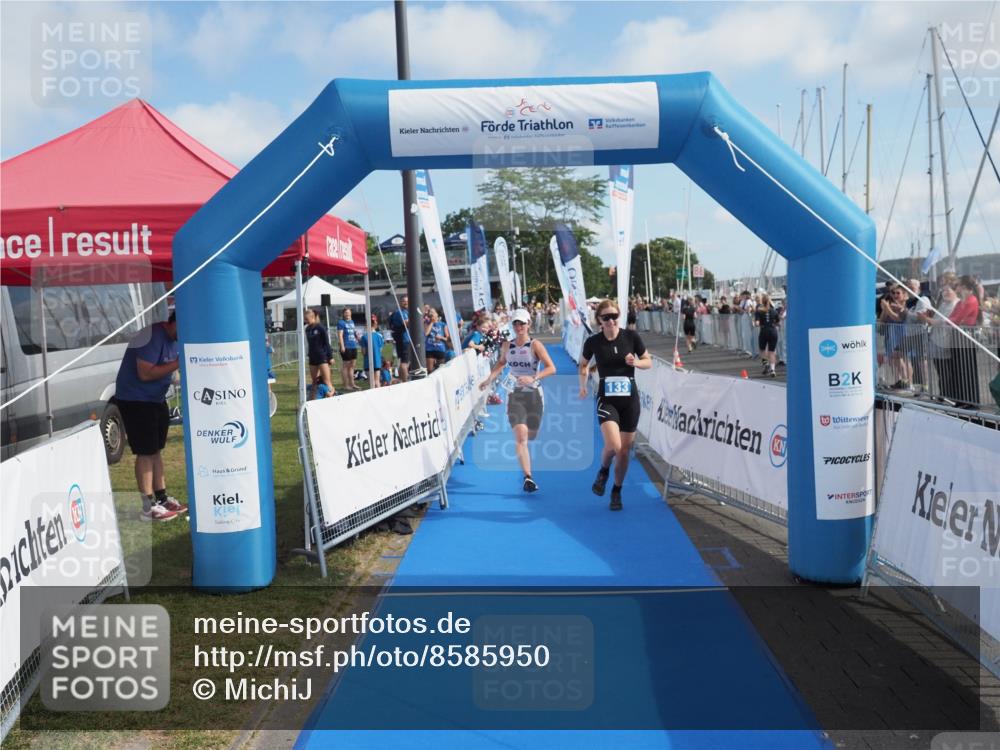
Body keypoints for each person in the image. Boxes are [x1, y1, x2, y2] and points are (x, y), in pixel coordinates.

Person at [578, 299, 652, 511]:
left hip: (630, 400)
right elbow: (583, 364)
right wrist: (582, 385)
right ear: (599, 320)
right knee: (613, 446)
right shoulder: (594, 342)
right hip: (607, 399)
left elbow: (648, 361)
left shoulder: (631, 337)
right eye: (606, 317)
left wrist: (636, 362)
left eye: (614, 316)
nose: (610, 321)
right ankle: (603, 471)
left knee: (624, 451)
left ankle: (616, 490)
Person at [114, 311, 187, 522]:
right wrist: (178, 364)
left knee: (156, 450)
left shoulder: (174, 340)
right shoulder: (153, 336)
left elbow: (170, 373)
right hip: (136, 400)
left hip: (155, 399)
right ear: (177, 322)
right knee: (146, 452)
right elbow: (145, 373)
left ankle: (162, 499)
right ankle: (147, 506)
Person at [480, 308, 556, 492]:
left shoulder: (535, 345)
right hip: (515, 394)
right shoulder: (508, 346)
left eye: (522, 323)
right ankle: (528, 478)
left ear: (528, 324)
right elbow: (500, 364)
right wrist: (489, 379)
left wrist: (534, 378)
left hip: (534, 394)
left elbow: (551, 368)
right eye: (516, 323)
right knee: (521, 436)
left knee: (532, 434)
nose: (519, 326)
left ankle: (527, 462)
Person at [305, 308, 335, 396]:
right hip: (312, 357)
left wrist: (330, 357)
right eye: (305, 319)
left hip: (322, 357)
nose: (305, 321)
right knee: (315, 381)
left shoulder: (320, 328)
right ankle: (314, 399)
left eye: (307, 319)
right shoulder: (307, 329)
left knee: (326, 380)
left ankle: (332, 395)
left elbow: (326, 343)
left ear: (313, 317)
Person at [755, 293, 780, 377]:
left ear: (762, 301)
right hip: (773, 331)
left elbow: (757, 323)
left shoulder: (759, 311)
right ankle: (773, 370)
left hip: (764, 331)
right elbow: (778, 322)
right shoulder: (774, 311)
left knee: (762, 350)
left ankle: (766, 365)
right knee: (772, 352)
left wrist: (755, 323)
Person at [388, 295, 411, 382]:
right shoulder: (401, 312)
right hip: (404, 340)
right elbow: (406, 323)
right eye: (404, 301)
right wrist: (417, 316)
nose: (406, 303)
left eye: (407, 301)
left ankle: (402, 380)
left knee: (404, 361)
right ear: (400, 302)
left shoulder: (405, 312)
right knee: (405, 362)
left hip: (403, 339)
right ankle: (405, 381)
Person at [337, 307, 359, 391]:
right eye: (346, 313)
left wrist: (357, 338)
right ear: (343, 314)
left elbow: (353, 332)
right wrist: (342, 346)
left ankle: (352, 384)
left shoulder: (352, 322)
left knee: (352, 366)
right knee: (345, 366)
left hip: (353, 346)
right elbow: (340, 335)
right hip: (346, 346)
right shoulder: (341, 323)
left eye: (349, 312)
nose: (347, 314)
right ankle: (346, 385)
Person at [424, 308, 448, 373]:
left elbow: (447, 338)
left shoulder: (443, 324)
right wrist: (431, 322)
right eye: (430, 312)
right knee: (430, 370)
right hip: (429, 349)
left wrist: (441, 337)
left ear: (437, 314)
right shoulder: (427, 323)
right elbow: (426, 333)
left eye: (433, 312)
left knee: (440, 370)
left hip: (440, 349)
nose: (431, 314)